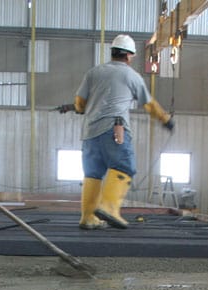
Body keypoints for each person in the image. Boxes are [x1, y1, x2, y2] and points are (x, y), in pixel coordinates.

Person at [61, 34, 174, 230]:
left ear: (113, 53)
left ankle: (88, 217)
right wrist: (166, 120)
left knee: (93, 174)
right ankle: (109, 208)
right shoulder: (131, 76)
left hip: (89, 132)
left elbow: (79, 103)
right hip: (114, 129)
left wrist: (82, 110)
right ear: (129, 56)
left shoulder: (93, 73)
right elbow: (149, 104)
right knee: (124, 166)